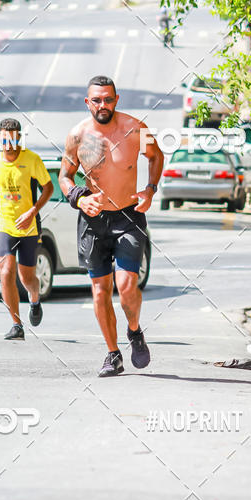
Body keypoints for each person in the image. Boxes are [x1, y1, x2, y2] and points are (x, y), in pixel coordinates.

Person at [59, 75, 164, 377]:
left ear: (116, 100)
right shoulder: (77, 136)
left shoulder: (136, 128)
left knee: (127, 284)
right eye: (96, 100)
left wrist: (150, 189)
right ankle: (113, 354)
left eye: (108, 99)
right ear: (87, 102)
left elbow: (156, 156)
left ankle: (134, 330)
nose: (102, 105)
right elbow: (65, 176)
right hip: (93, 220)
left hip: (129, 215)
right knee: (100, 290)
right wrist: (79, 199)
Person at [0, 118, 53, 339]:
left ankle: (34, 299)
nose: (8, 144)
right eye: (4, 139)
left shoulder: (32, 159)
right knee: (6, 271)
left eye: (13, 139)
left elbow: (48, 187)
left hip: (28, 227)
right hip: (4, 225)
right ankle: (16, 324)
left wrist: (32, 212)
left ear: (19, 138)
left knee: (27, 278)